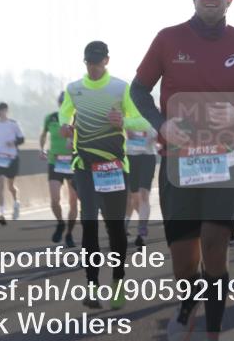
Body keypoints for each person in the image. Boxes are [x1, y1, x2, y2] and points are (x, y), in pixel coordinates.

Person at [130, 0, 234, 341]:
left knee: (214, 247)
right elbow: (138, 90)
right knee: (183, 263)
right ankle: (186, 302)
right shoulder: (168, 39)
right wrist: (161, 123)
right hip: (179, 162)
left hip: (225, 160)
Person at [60, 41, 149, 310]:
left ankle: (118, 282)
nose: (93, 67)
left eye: (97, 62)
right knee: (89, 225)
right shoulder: (74, 89)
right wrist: (65, 125)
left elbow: (142, 121)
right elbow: (65, 113)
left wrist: (124, 122)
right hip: (84, 166)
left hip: (112, 167)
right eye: (89, 62)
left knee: (115, 229)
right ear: (84, 61)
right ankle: (92, 286)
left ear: (106, 61)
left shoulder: (121, 88)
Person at [40, 93, 77, 247]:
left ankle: (68, 233)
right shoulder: (51, 117)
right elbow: (43, 135)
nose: (63, 105)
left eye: (66, 102)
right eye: (61, 102)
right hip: (55, 162)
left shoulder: (77, 118)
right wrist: (41, 149)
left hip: (73, 162)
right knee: (54, 199)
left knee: (73, 202)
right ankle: (60, 223)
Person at [125, 120, 158, 248]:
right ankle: (138, 223)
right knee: (134, 197)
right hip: (131, 157)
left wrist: (155, 136)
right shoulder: (127, 114)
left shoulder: (150, 112)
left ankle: (142, 232)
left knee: (144, 195)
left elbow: (158, 132)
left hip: (148, 157)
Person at [0, 102, 25, 225]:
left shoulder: (13, 124)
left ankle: (16, 202)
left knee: (11, 186)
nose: (1, 113)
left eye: (3, 110)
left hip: (12, 158)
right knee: (0, 184)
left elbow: (22, 139)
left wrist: (13, 143)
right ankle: (1, 212)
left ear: (7, 111)